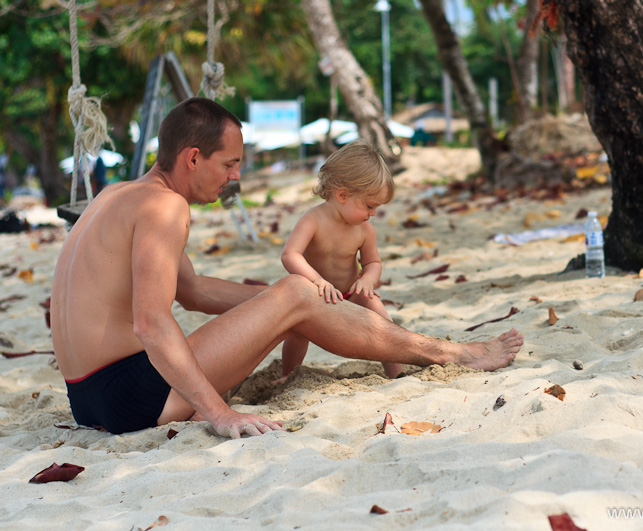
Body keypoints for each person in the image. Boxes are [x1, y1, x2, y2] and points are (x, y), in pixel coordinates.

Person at [50, 97, 523, 439]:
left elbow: (191, 290)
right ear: (192, 158)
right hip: (135, 394)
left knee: (296, 295)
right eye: (229, 164)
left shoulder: (117, 196)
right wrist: (219, 413)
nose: (236, 176)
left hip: (87, 399)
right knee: (296, 294)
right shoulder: (165, 208)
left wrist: (303, 301)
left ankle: (396, 336)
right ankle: (452, 354)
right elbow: (151, 323)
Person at [280, 140, 402, 381]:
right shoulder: (313, 220)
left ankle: (396, 373)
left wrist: (367, 281)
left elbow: (373, 263)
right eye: (369, 205)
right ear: (343, 195)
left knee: (380, 314)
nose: (373, 213)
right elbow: (290, 254)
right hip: (315, 296)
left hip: (350, 292)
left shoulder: (364, 229)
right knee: (296, 332)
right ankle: (288, 374)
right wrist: (316, 281)